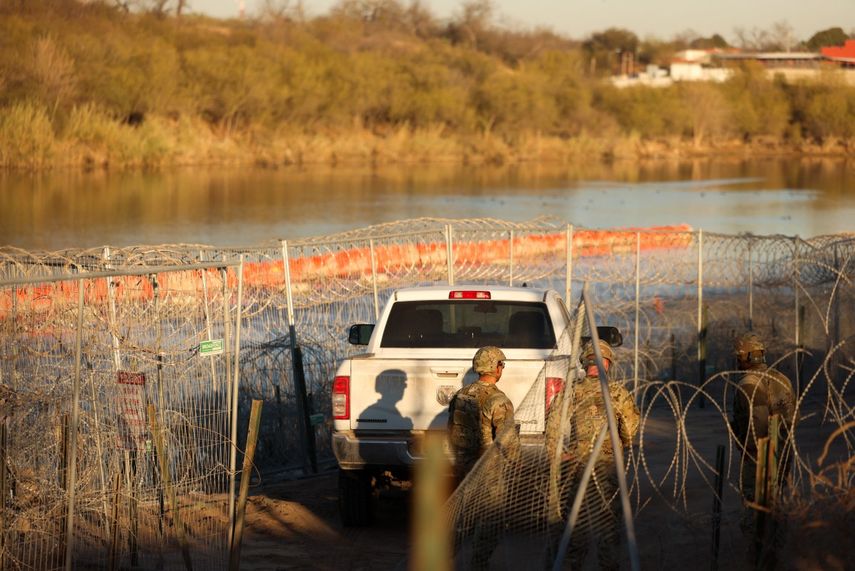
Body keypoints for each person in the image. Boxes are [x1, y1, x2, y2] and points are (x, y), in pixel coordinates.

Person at [544, 339, 639, 571]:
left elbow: (553, 426)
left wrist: (558, 455)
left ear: (585, 364)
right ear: (607, 362)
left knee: (576, 518)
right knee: (607, 519)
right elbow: (629, 428)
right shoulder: (616, 392)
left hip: (577, 462)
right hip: (606, 464)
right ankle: (607, 565)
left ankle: (573, 564)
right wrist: (622, 445)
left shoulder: (572, 391)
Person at [447, 346, 520, 570]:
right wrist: (516, 467)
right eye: (501, 365)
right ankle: (478, 564)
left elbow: (451, 429)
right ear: (495, 367)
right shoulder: (498, 400)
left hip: (464, 467)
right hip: (489, 471)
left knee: (462, 517)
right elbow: (508, 442)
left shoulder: (461, 395)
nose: (502, 369)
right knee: (490, 520)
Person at [730, 333, 797, 536]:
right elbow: (794, 415)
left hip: (758, 455)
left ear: (746, 357)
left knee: (755, 505)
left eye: (739, 356)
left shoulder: (749, 384)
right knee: (776, 500)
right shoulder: (780, 378)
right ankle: (776, 543)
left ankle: (758, 551)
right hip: (783, 450)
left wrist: (751, 452)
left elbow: (757, 423)